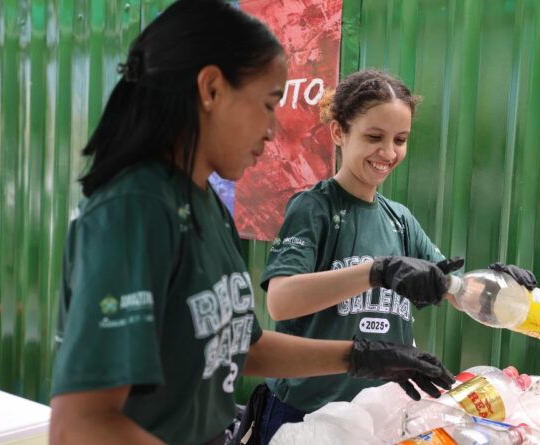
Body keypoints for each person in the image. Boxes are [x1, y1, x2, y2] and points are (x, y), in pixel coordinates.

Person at [48, 2, 459, 444]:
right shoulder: (134, 212)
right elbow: (82, 425)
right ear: (211, 89)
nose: (271, 130)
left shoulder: (205, 205)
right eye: (267, 105)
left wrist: (363, 358)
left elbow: (244, 346)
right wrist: (372, 280)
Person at [257, 69, 538, 442]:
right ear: (339, 132)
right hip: (308, 416)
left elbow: (457, 291)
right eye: (374, 137)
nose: (388, 153)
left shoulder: (400, 221)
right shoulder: (315, 209)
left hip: (377, 419)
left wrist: (501, 286)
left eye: (400, 140)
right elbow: (280, 302)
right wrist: (375, 272)